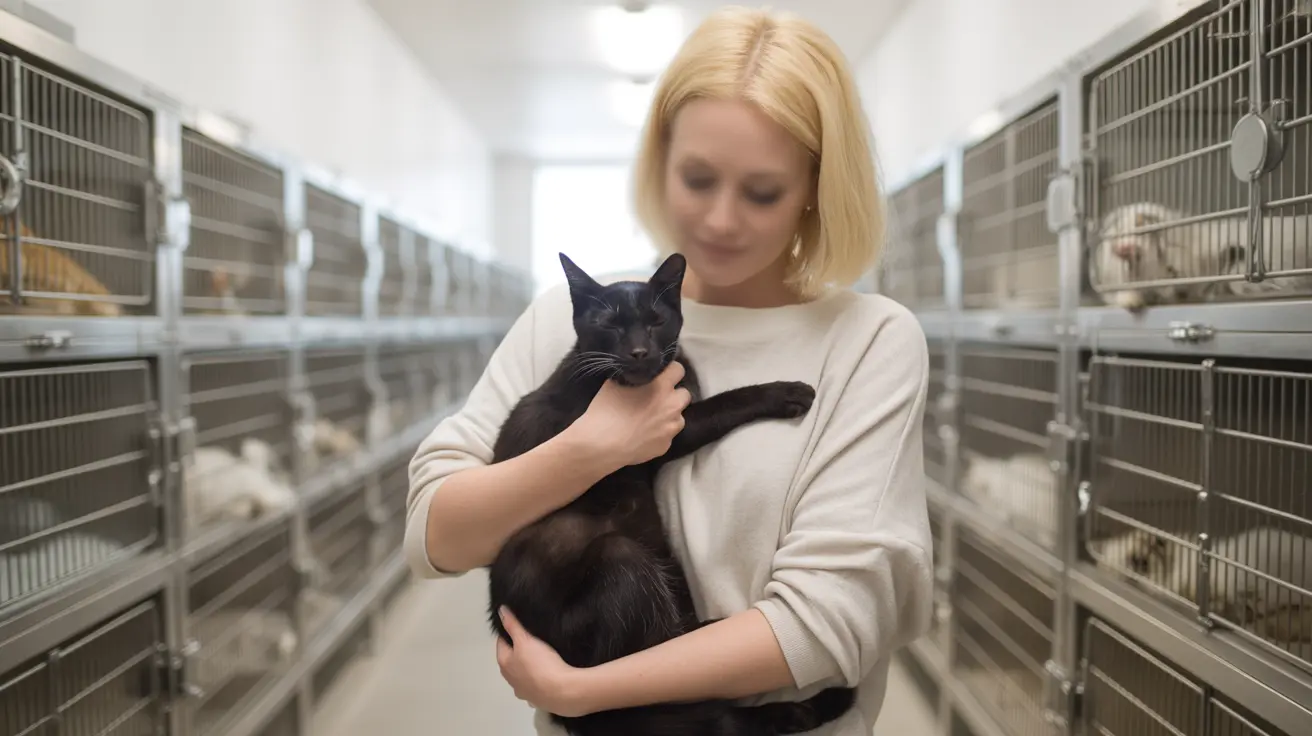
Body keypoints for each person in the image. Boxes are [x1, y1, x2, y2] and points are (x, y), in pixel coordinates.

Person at [404, 6, 934, 734]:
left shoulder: (869, 340)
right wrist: (588, 449)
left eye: (761, 192)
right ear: (660, 162)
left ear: (817, 185)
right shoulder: (570, 321)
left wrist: (588, 692)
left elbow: (833, 619)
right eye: (697, 178)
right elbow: (436, 536)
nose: (719, 220)